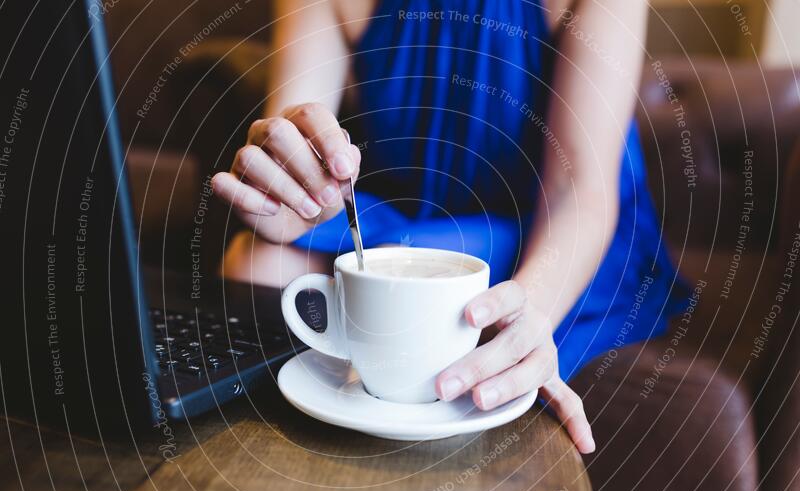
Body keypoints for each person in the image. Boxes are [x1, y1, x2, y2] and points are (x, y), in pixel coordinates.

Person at [211, 0, 690, 455]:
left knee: (440, 281)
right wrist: (291, 188)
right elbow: (294, 139)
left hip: (552, 223)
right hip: (419, 210)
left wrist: (529, 311)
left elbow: (578, 189)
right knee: (256, 259)